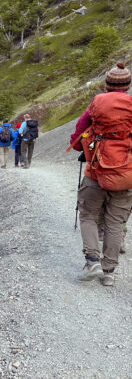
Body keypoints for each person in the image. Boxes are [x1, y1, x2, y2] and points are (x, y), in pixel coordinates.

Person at [70, 62, 132, 286]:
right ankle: (109, 272)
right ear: (127, 85)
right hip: (125, 175)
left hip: (96, 172)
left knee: (88, 215)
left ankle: (92, 261)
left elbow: (78, 136)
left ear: (106, 85)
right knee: (115, 222)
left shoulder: (96, 104)